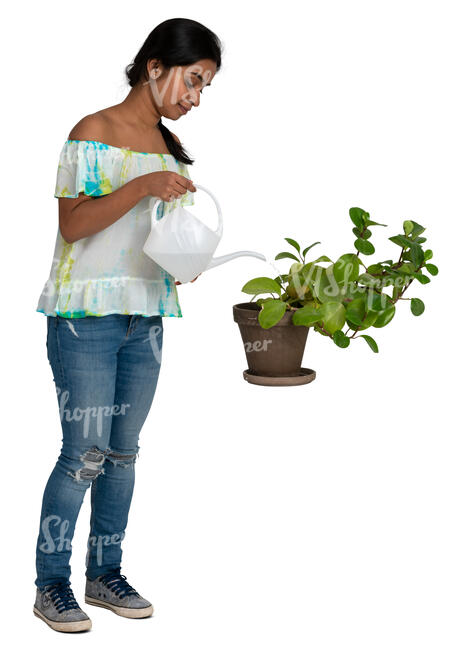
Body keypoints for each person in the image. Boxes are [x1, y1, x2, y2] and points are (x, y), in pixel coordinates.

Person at [33, 17, 222, 633]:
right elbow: (74, 227)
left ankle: (104, 573)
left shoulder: (170, 149)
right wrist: (141, 183)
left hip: (146, 316)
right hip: (85, 317)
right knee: (83, 454)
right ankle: (51, 583)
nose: (194, 98)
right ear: (155, 67)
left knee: (123, 454)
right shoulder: (94, 131)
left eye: (205, 88)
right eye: (193, 81)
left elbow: (158, 237)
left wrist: (186, 259)